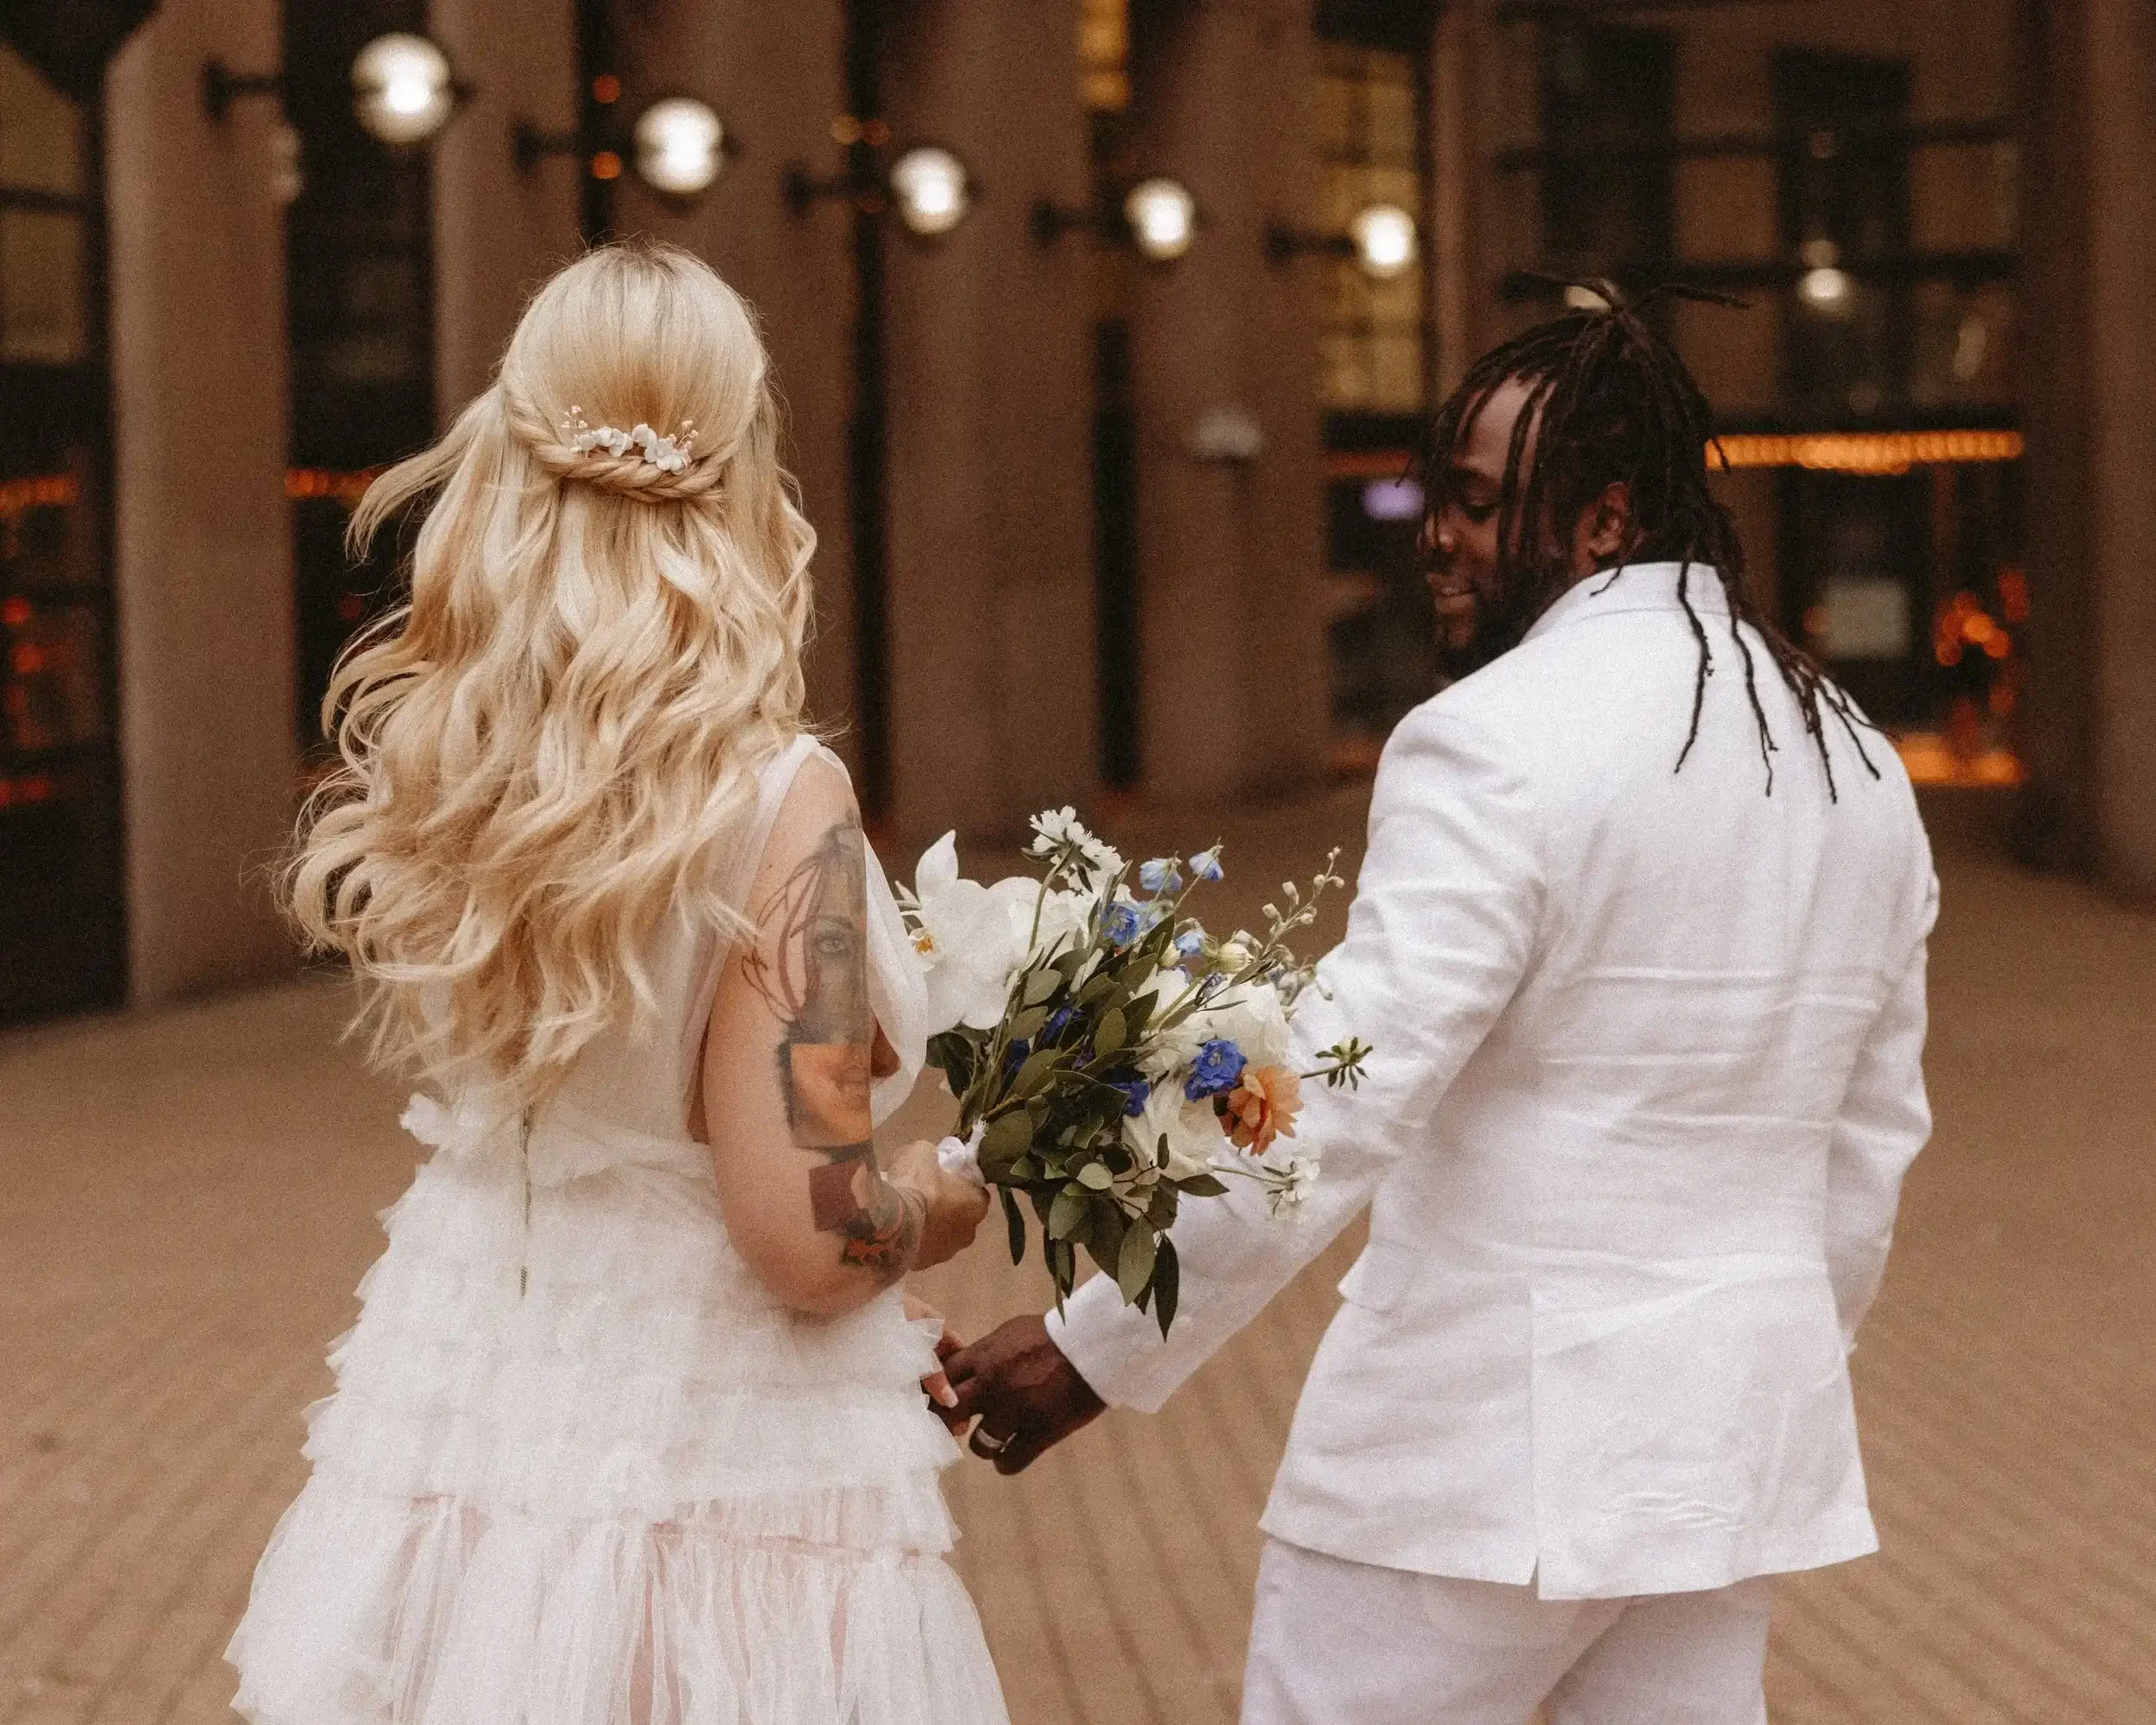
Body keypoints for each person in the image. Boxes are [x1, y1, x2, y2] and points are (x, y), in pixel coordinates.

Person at [944, 288, 1938, 1725]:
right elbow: (1870, 1144)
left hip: (1474, 1464)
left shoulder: (1491, 741)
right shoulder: (1859, 761)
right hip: (1725, 1459)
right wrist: (1753, 1371)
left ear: (1601, 522)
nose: (1433, 532)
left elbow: (1340, 1099)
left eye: (1474, 500)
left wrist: (1094, 1347)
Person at [226, 242, 1005, 1725]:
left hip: (469, 1453)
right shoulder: (779, 800)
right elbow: (810, 1235)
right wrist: (946, 1195)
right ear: (744, 462)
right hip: (709, 1481)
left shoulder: (452, 766)